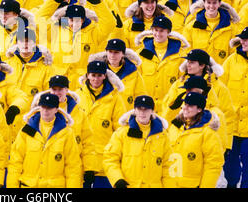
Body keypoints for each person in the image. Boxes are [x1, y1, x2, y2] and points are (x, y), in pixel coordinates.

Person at [33, 75, 97, 187]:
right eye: (54, 89)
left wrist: (89, 168)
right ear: (49, 90)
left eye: (60, 89)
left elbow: (88, 142)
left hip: (73, 166)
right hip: (48, 168)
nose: (57, 92)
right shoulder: (39, 112)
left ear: (67, 90)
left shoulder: (78, 113)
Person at [7, 92, 82, 188]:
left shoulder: (66, 133)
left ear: (56, 109)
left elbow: (72, 167)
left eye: (49, 108)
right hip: (29, 185)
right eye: (43, 107)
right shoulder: (26, 130)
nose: (46, 111)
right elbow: (15, 162)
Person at [103, 95, 174, 188]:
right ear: (135, 110)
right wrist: (117, 179)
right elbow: (110, 159)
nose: (142, 112)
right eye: (139, 109)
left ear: (152, 111)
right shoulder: (122, 133)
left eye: (146, 109)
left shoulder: (162, 136)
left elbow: (168, 166)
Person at [76, 60, 127, 188]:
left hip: (103, 162)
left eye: (99, 75)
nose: (96, 79)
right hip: (80, 160)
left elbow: (120, 129)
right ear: (87, 75)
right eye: (93, 75)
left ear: (105, 75)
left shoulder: (114, 98)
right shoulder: (77, 96)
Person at [167, 92, 224, 188]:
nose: (185, 108)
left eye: (190, 106)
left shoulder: (207, 133)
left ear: (199, 109)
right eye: (185, 104)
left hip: (193, 185)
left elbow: (213, 165)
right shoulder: (175, 127)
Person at [135, 15, 190, 113]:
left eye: (162, 31)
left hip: (169, 108)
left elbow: (184, 80)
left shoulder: (180, 54)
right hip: (145, 108)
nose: (158, 34)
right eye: (155, 30)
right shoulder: (141, 53)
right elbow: (136, 80)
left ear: (168, 32)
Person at [221, 27, 248, 188]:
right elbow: (220, 88)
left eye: (246, 39)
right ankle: (231, 184)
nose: (243, 41)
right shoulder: (231, 61)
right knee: (230, 165)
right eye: (242, 39)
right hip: (232, 124)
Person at [183, 0, 240, 65]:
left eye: (214, 3)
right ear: (204, 3)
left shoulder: (231, 28)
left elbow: (235, 55)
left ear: (219, 3)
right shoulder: (191, 27)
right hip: (199, 74)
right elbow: (186, 51)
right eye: (208, 3)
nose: (211, 6)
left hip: (221, 74)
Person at [88, 39, 147, 111]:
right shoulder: (97, 72)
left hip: (126, 116)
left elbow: (141, 96)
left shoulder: (133, 72)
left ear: (123, 54)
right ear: (106, 52)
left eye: (116, 52)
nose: (112, 55)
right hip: (104, 116)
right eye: (110, 52)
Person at [5, 28, 54, 99]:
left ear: (34, 43)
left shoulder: (46, 67)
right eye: (21, 41)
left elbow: (49, 94)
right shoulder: (7, 65)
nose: (25, 44)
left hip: (32, 109)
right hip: (10, 109)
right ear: (16, 43)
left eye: (28, 41)